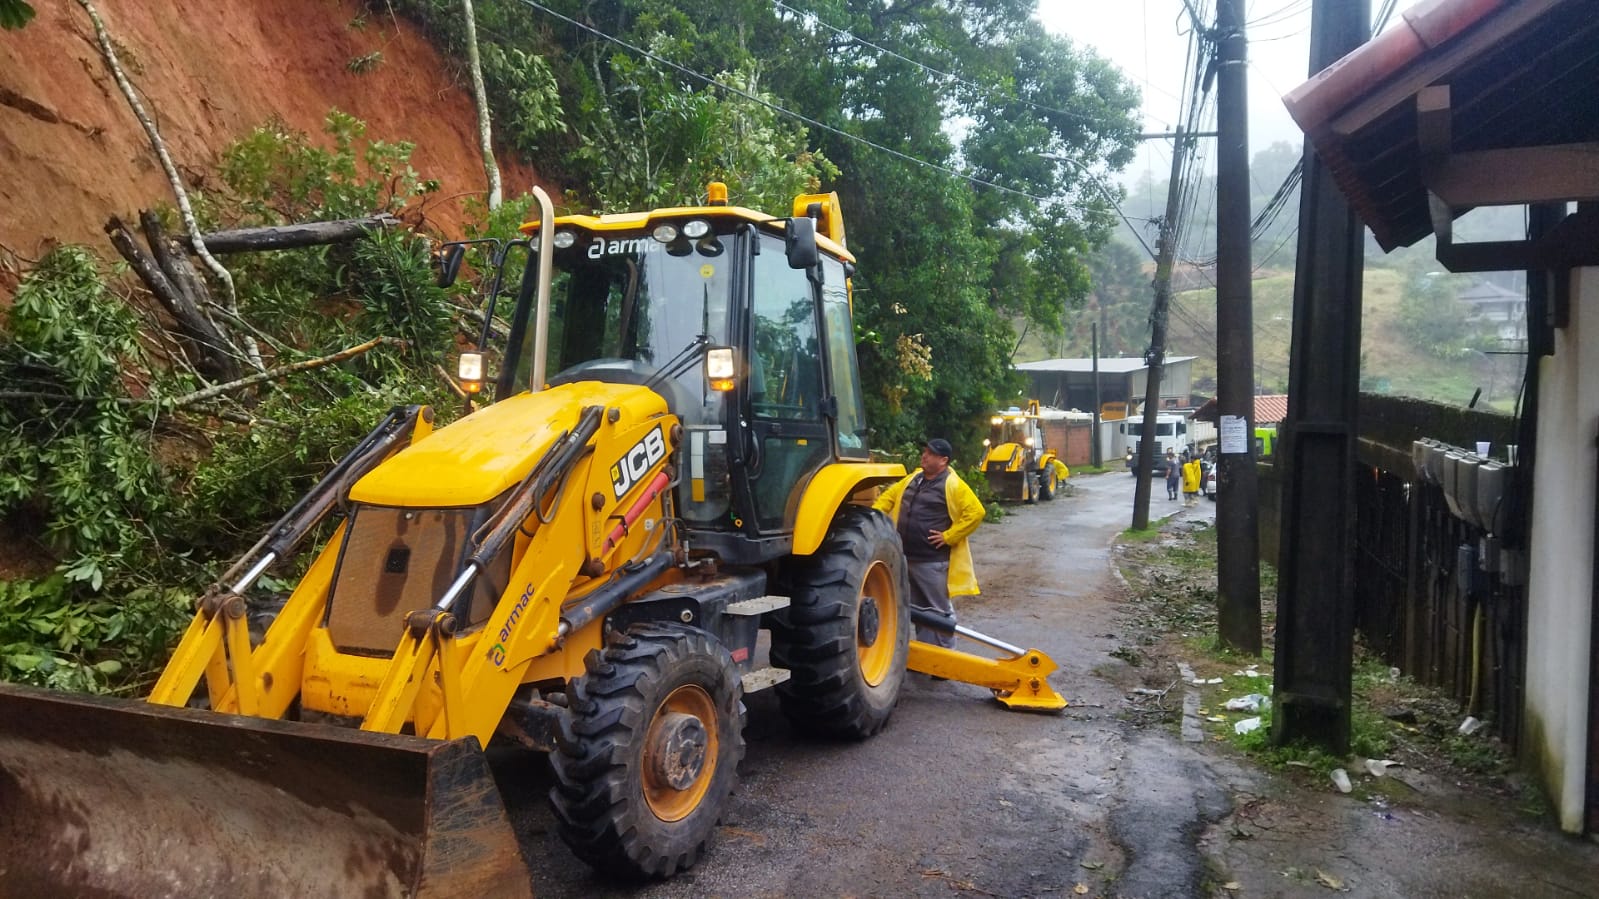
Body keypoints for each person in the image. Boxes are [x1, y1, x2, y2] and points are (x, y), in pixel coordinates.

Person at [873, 438, 985, 649]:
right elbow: (889, 496)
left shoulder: (952, 484)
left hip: (932, 561)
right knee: (918, 610)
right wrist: (873, 517)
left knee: (938, 610)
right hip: (907, 558)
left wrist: (949, 536)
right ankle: (928, 655)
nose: (924, 456)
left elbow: (976, 512)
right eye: (925, 451)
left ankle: (945, 658)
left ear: (943, 460)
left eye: (931, 454)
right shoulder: (914, 478)